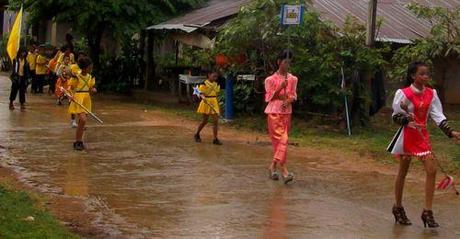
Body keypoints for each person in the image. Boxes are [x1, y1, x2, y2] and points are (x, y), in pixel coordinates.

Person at [388, 61, 460, 228]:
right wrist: (406, 119)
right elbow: (395, 116)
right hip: (407, 136)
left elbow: (438, 116)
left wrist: (451, 132)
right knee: (403, 171)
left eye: (427, 74)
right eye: (422, 74)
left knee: (432, 169)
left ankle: (427, 211)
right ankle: (398, 207)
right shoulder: (403, 93)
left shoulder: (431, 94)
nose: (425, 77)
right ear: (413, 76)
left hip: (422, 136)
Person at [264, 50, 298, 185]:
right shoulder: (270, 80)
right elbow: (268, 97)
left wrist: (288, 101)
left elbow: (294, 95)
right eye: (285, 62)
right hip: (274, 112)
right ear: (279, 62)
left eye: (289, 62)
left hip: (287, 112)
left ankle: (272, 166)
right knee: (283, 140)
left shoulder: (293, 79)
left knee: (281, 143)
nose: (287, 64)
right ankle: (284, 171)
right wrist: (280, 87)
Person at [67, 56, 96, 150]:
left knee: (82, 123)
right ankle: (78, 142)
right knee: (83, 120)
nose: (91, 69)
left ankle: (78, 142)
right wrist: (70, 95)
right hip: (78, 99)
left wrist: (93, 90)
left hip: (87, 100)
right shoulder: (76, 77)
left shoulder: (90, 77)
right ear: (84, 67)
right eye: (89, 67)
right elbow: (70, 88)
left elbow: (91, 88)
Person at [194, 69, 222, 145]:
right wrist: (203, 97)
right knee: (205, 121)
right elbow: (200, 93)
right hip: (206, 102)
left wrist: (218, 105)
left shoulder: (216, 84)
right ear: (209, 75)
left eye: (216, 76)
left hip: (214, 102)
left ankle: (215, 139)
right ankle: (197, 134)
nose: (215, 78)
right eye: (214, 76)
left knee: (215, 121)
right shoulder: (204, 83)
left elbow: (217, 94)